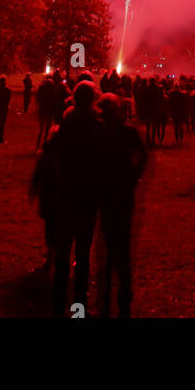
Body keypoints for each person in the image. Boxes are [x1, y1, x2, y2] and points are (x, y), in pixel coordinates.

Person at [53, 81, 108, 317]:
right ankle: (80, 299)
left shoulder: (65, 125)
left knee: (63, 248)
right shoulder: (98, 126)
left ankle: (58, 294)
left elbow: (54, 159)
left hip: (66, 193)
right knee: (83, 250)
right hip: (87, 195)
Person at [96, 93, 148, 317]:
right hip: (122, 192)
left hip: (108, 192)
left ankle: (107, 295)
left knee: (106, 244)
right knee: (122, 245)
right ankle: (123, 295)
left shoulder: (100, 134)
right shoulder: (126, 132)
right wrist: (134, 176)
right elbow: (143, 156)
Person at [36, 74, 55, 147]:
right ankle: (45, 144)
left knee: (41, 130)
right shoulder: (52, 91)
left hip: (42, 111)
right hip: (49, 111)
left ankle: (38, 145)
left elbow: (38, 99)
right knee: (47, 129)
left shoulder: (42, 90)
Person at [0, 77, 12, 144]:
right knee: (2, 124)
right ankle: (0, 139)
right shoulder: (7, 90)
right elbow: (8, 99)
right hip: (3, 108)